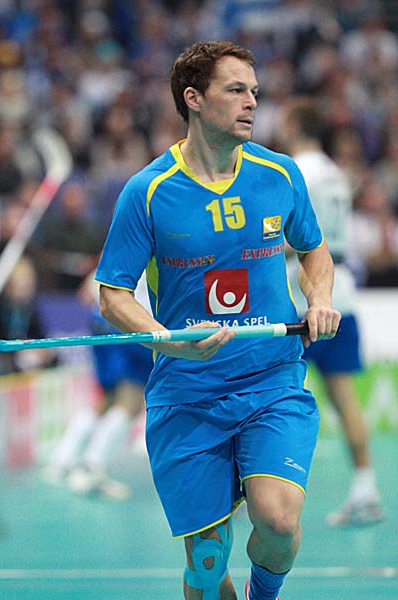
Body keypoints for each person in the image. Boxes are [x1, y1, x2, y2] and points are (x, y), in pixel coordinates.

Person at [95, 41, 341, 600]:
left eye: (254, 91)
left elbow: (314, 252)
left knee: (279, 524)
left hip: (270, 381)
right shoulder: (148, 191)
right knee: (206, 565)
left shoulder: (279, 174)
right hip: (187, 393)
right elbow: (112, 295)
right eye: (235, 90)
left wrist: (320, 298)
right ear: (194, 99)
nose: (252, 101)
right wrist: (168, 342)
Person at [276, 96, 384, 527]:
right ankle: (366, 489)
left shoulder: (294, 171)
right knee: (344, 399)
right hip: (344, 293)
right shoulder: (337, 172)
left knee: (273, 396)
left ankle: (260, 495)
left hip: (304, 295)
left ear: (293, 126)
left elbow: (296, 238)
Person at [43, 271, 152, 500]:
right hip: (131, 324)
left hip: (102, 319)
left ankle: (62, 460)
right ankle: (92, 468)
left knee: (107, 399)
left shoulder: (118, 254)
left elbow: (85, 292)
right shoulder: (155, 251)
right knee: (130, 402)